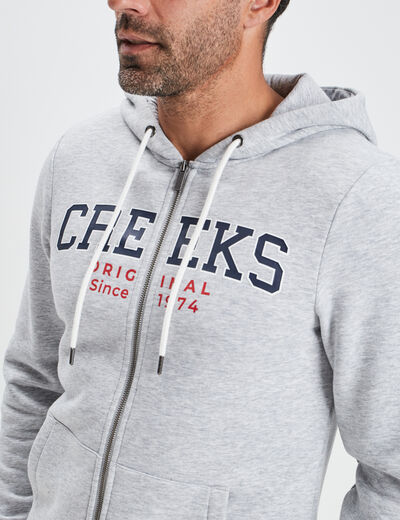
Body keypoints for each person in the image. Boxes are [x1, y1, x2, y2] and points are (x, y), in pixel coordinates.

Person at [1, 0, 399, 518]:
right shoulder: (79, 157)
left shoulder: (357, 195)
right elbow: (32, 380)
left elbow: (392, 469)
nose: (121, 3)